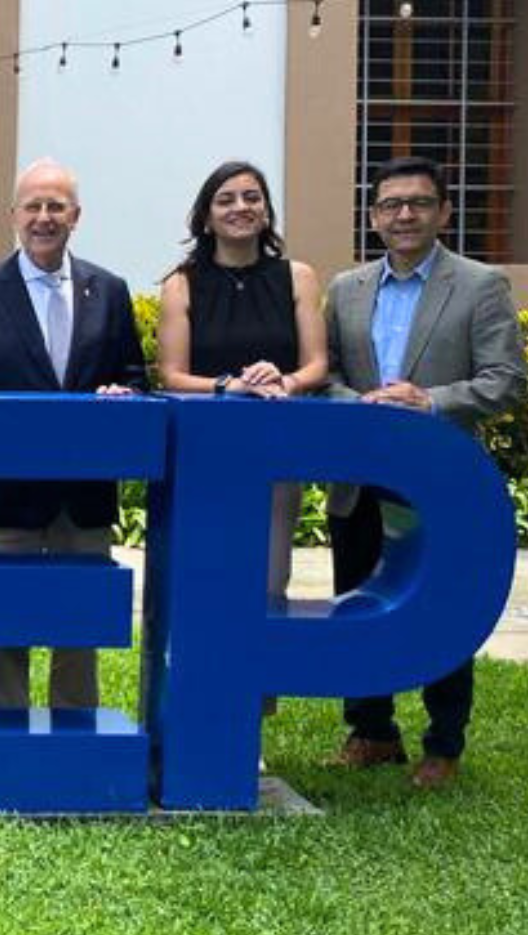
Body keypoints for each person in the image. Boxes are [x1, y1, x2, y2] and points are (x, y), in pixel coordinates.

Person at [323, 155, 525, 788]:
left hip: (440, 480)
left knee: (443, 609)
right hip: (360, 474)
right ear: (373, 216)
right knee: (358, 601)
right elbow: (325, 374)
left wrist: (429, 401)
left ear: (444, 211)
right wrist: (361, 404)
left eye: (418, 203)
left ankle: (444, 744)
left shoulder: (480, 285)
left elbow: (506, 379)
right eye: (390, 205)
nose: (404, 215)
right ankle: (372, 731)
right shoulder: (346, 289)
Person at [0, 158, 147, 710]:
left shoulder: (109, 290)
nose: (44, 217)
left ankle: (74, 732)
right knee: (6, 623)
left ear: (75, 216)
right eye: (32, 206)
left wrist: (124, 395)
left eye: (56, 206)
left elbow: (134, 376)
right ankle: (7, 730)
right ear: (13, 215)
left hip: (84, 495)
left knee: (79, 623)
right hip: (8, 495)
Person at [156, 160, 329, 721]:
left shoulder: (297, 277)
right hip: (203, 459)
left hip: (273, 455)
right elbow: (171, 375)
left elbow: (317, 365)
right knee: (202, 586)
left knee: (267, 584)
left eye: (252, 197)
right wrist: (229, 386)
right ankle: (196, 712)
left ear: (267, 210)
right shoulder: (181, 284)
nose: (241, 208)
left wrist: (284, 382)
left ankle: (248, 723)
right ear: (206, 216)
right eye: (226, 199)